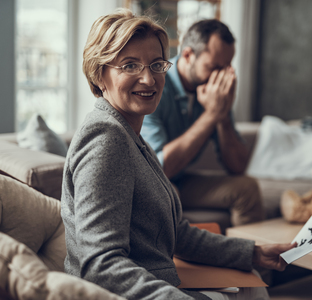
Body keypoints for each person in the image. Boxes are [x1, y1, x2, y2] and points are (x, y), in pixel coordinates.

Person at [61, 9, 295, 300]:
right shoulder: (106, 140)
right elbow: (99, 265)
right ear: (99, 74)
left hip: (159, 278)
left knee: (253, 283)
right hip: (131, 292)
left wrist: (253, 253)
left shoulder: (129, 134)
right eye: (130, 65)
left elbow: (177, 233)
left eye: (156, 64)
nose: (148, 79)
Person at [140, 19, 264, 227]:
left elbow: (238, 167)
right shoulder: (155, 85)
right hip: (151, 181)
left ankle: (250, 257)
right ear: (188, 55)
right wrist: (212, 115)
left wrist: (223, 115)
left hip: (183, 179)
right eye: (214, 67)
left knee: (247, 188)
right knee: (168, 192)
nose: (221, 77)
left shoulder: (213, 90)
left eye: (226, 68)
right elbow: (159, 169)